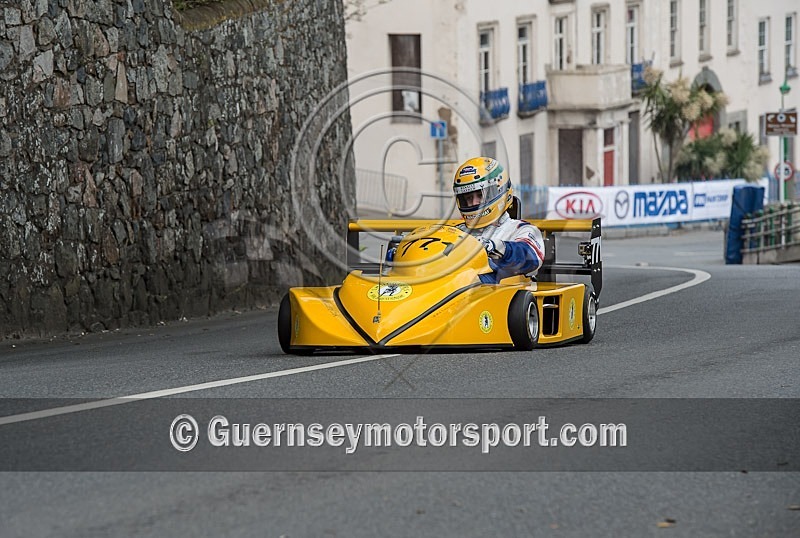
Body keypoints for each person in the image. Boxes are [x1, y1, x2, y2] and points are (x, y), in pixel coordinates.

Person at [452, 157, 545, 283]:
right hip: (451, 290)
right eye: (468, 198)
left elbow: (531, 258)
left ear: (500, 191)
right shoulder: (456, 233)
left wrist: (496, 247)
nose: (474, 203)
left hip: (500, 295)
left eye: (481, 196)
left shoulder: (521, 229)